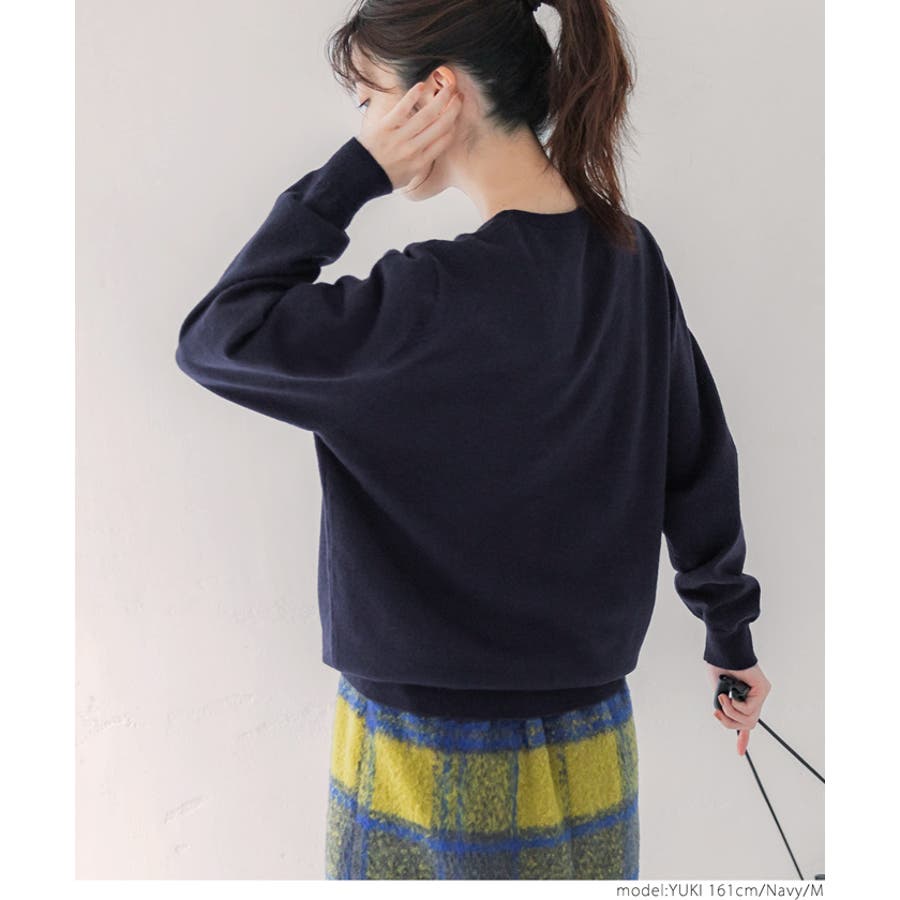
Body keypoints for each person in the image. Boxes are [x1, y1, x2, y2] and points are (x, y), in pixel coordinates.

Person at [174, 0, 772, 880]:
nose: (365, 124)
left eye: (369, 100)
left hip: (422, 750)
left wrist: (352, 177)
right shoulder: (630, 262)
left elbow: (217, 336)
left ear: (436, 94)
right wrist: (730, 639)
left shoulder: (429, 299)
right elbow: (697, 463)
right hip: (592, 732)